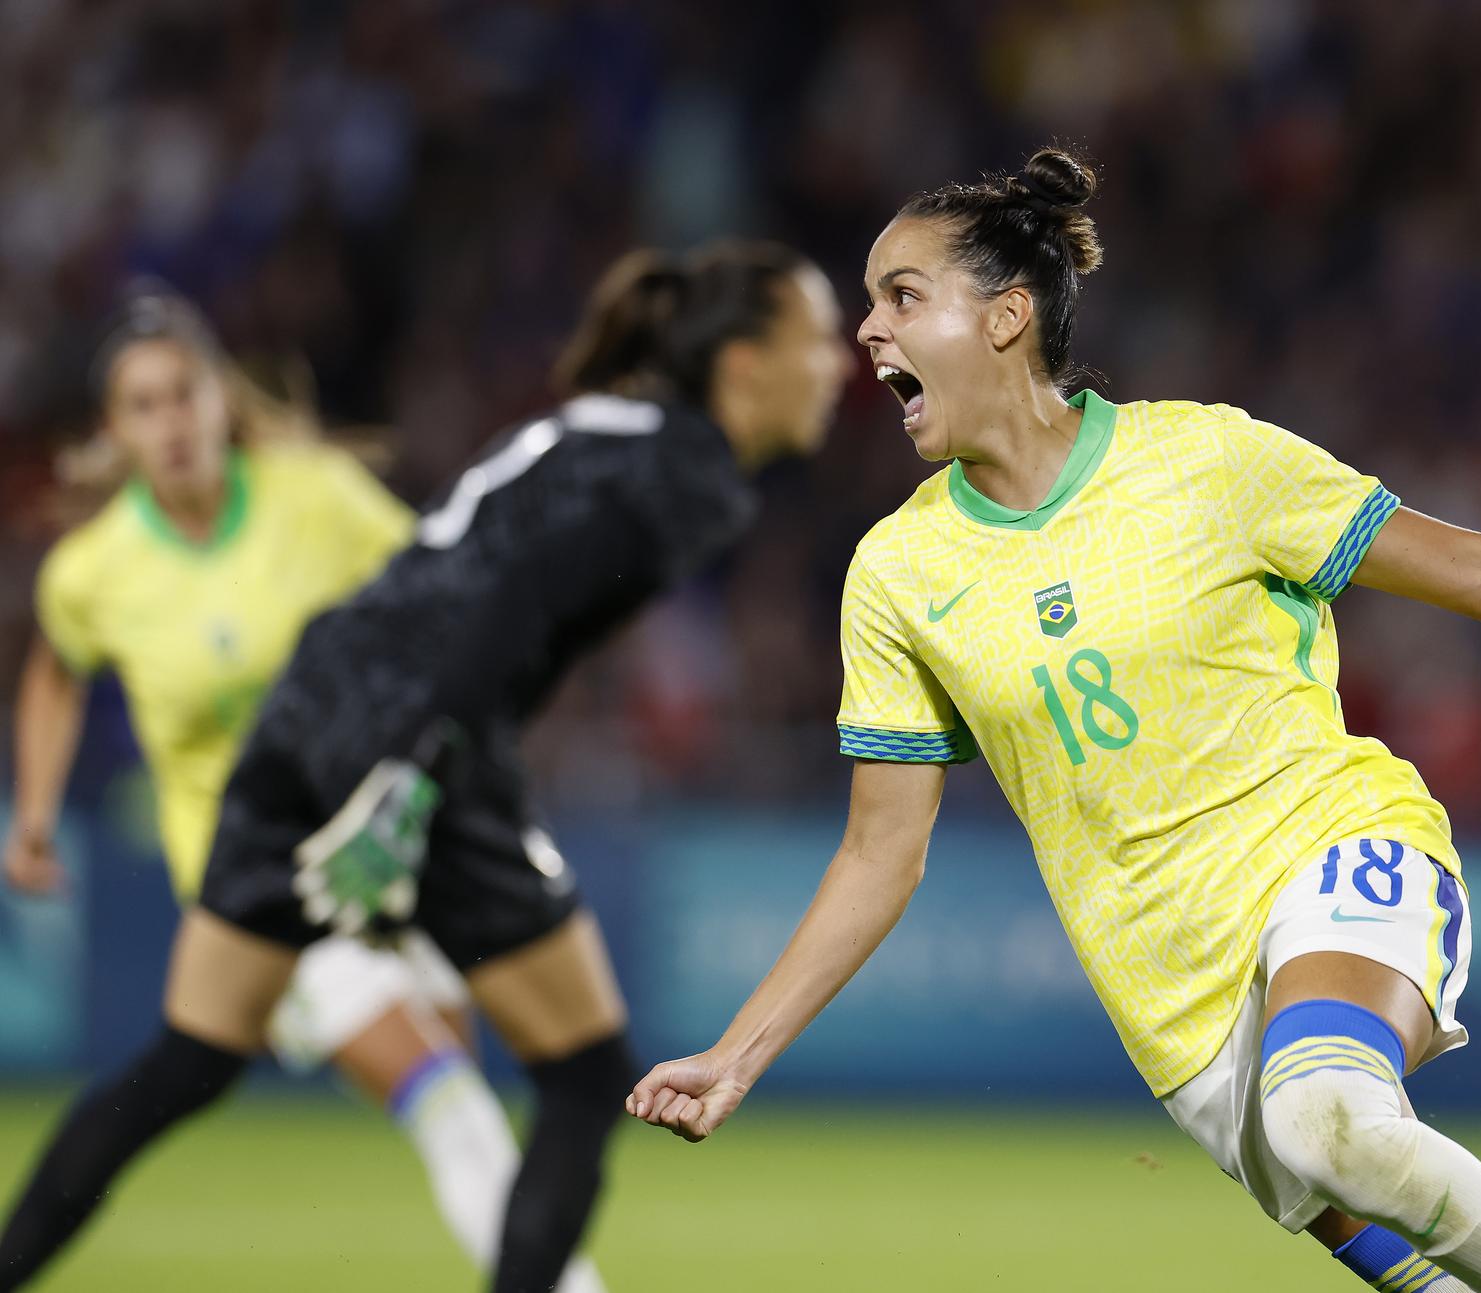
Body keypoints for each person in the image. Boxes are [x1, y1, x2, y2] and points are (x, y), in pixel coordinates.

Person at [625, 150, 1481, 1293]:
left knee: (1327, 1113)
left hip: (1334, 851)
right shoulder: (898, 573)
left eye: (901, 295)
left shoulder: (1206, 462)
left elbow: (1471, 570)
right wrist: (738, 1054)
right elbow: (878, 853)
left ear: (1003, 318)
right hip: (1178, 1013)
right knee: (1388, 1222)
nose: (869, 330)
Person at [0, 240, 853, 1293]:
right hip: (416, 735)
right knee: (584, 1078)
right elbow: (509, 604)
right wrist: (411, 774)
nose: (841, 361)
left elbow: (440, 572)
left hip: (306, 712)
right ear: (742, 364)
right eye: (815, 337)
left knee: (189, 1060)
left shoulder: (597, 421)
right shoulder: (692, 478)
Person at [2, 287, 605, 1291]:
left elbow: (436, 592)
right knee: (448, 1103)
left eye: (184, 394)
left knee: (458, 1102)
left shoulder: (313, 496)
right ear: (114, 430)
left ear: (220, 399)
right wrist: (32, 812)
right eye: (142, 405)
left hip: (397, 844)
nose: (170, 423)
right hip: (266, 890)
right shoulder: (93, 573)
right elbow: (57, 669)